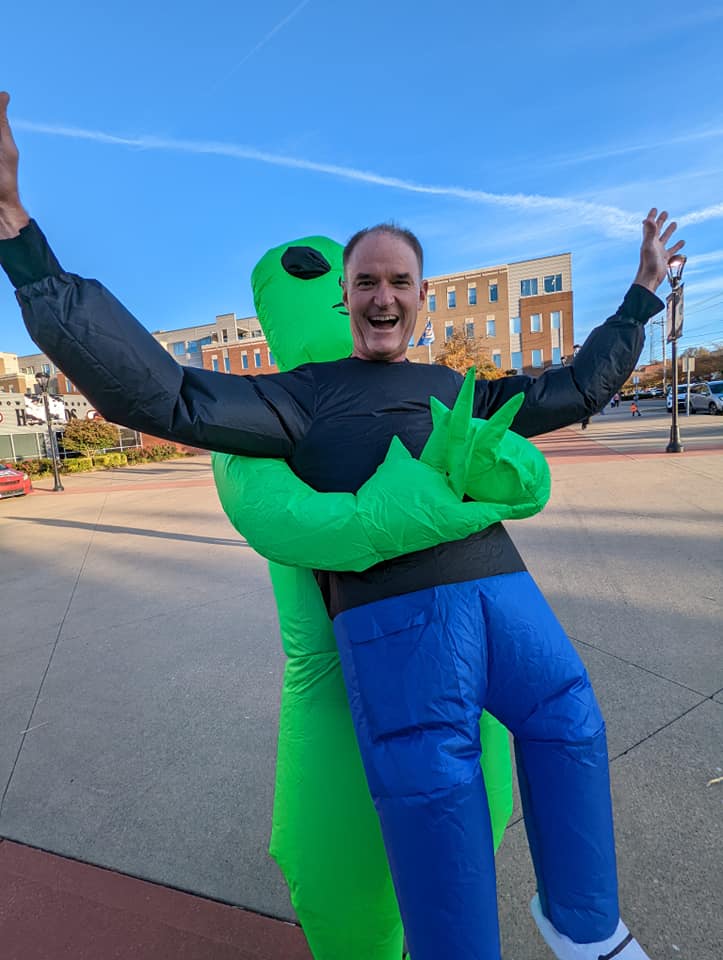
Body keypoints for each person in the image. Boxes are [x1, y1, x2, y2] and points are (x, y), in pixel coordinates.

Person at [0, 91, 684, 960]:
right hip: (394, 619)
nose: (382, 297)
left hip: (503, 592)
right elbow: (159, 393)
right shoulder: (296, 398)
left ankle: (589, 931)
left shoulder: (456, 390)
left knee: (570, 721)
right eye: (366, 282)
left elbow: (575, 390)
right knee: (436, 797)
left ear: (421, 295)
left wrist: (637, 299)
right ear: (346, 299)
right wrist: (23, 242)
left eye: (399, 282)